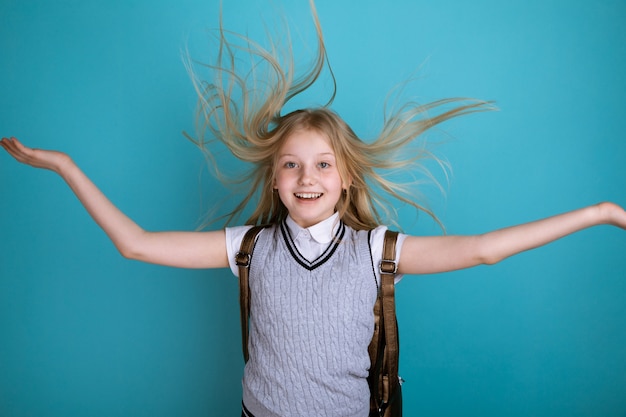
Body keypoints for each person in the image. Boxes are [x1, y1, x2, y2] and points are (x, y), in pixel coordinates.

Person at [2, 1, 625, 416]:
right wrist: (64, 166)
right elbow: (134, 242)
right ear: (274, 179)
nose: (307, 178)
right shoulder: (247, 247)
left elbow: (485, 249)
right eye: (292, 165)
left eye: (324, 164)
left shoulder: (378, 252)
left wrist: (598, 212)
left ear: (347, 179)